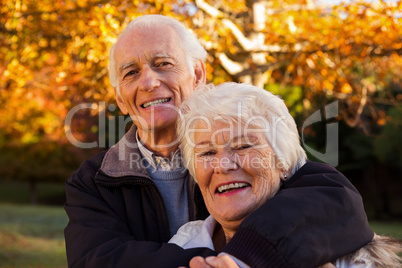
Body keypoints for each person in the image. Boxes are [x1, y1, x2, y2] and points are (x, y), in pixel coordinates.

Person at [64, 15, 374, 268]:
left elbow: (336, 204)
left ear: (197, 74)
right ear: (120, 98)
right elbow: (95, 260)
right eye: (131, 72)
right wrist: (223, 263)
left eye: (163, 64)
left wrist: (242, 258)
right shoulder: (93, 182)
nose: (148, 82)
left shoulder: (254, 143)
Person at [170, 82, 402, 268]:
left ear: (283, 163)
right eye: (207, 152)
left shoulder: (346, 256)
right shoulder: (184, 242)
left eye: (243, 147)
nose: (222, 165)